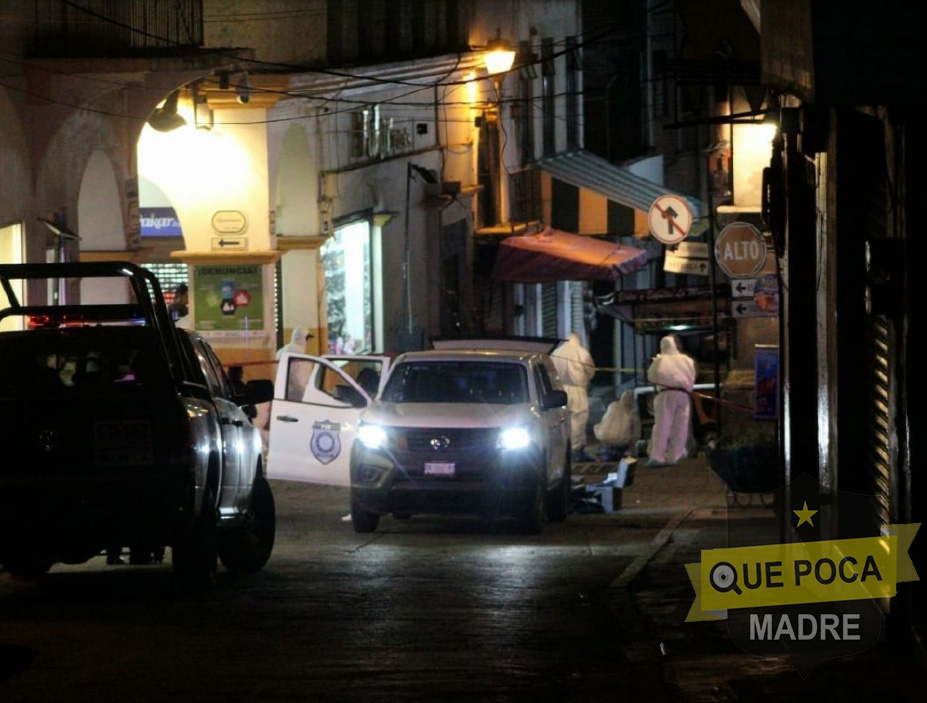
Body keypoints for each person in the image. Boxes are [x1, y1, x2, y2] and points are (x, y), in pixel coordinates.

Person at [645, 334, 696, 467]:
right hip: (684, 395)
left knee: (662, 425)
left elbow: (651, 376)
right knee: (680, 427)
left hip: (665, 394)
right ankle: (675, 456)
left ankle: (657, 456)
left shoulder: (660, 360)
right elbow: (692, 377)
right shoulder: (687, 360)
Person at [552, 332, 596, 462]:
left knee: (562, 421)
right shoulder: (581, 352)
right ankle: (576, 449)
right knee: (578, 419)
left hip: (559, 389)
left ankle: (562, 450)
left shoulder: (556, 353)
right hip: (577, 389)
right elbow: (590, 371)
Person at [593, 390, 641, 461]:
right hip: (620, 441)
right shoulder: (633, 412)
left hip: (603, 437)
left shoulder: (612, 405)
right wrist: (634, 452)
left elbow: (603, 421)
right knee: (632, 433)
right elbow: (636, 434)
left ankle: (606, 449)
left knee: (597, 426)